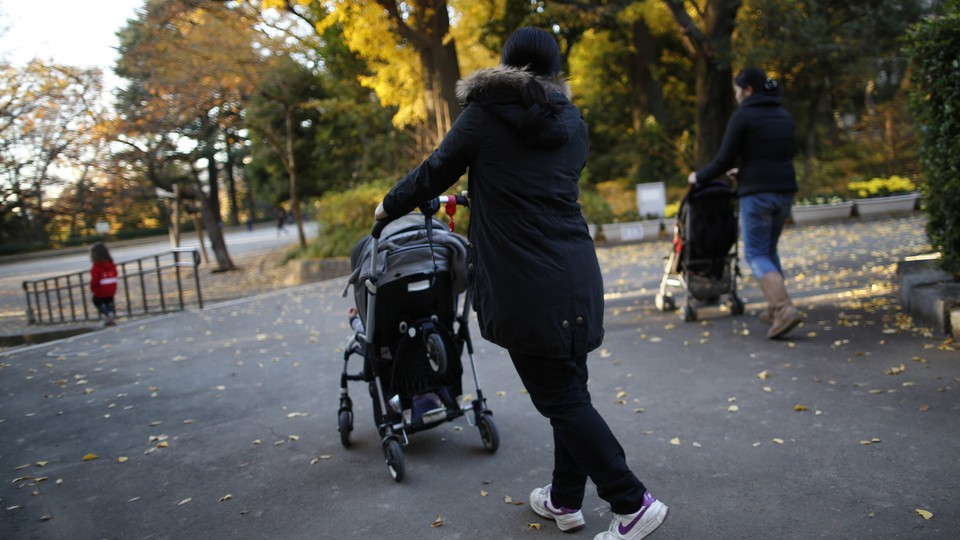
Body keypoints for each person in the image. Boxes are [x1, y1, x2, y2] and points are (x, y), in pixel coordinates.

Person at [375, 26, 667, 540]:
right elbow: (538, 184)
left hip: (527, 283)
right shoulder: (571, 119)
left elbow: (434, 171)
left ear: (507, 63)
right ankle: (564, 500)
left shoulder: (484, 115)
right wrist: (483, 198)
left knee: (561, 399)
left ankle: (632, 502)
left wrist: (387, 205)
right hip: (575, 273)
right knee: (568, 391)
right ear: (555, 68)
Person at [686, 66, 803, 339]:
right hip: (784, 191)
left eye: (737, 91)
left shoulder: (744, 116)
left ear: (747, 90)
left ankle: (784, 309)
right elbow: (775, 156)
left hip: (758, 195)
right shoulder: (783, 115)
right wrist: (745, 171)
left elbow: (724, 158)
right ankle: (775, 309)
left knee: (756, 254)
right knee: (769, 251)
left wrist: (698, 176)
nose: (736, 96)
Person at [89, 242, 118, 327]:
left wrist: (93, 288)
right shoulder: (111, 264)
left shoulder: (96, 267)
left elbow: (95, 279)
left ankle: (107, 314)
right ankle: (111, 313)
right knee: (109, 301)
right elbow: (115, 273)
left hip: (101, 290)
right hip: (111, 288)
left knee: (97, 301)